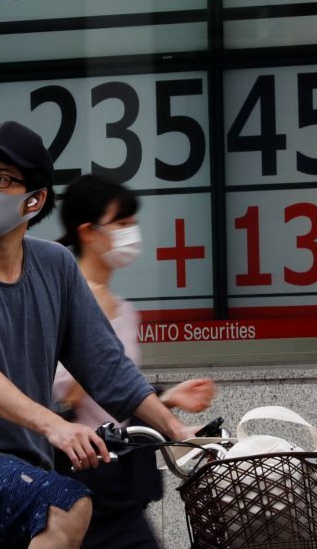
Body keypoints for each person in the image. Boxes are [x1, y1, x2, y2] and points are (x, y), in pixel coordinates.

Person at [0, 121, 201, 549]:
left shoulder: (56, 267)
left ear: (35, 199)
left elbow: (107, 367)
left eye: (1, 179)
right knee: (70, 504)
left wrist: (178, 431)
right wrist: (55, 427)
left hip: (30, 473)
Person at [53, 174, 215, 548]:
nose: (131, 232)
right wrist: (93, 326)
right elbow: (61, 395)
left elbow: (116, 398)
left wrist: (170, 398)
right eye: (121, 223)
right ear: (88, 233)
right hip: (78, 481)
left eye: (132, 223)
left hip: (120, 483)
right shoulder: (64, 299)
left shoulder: (124, 309)